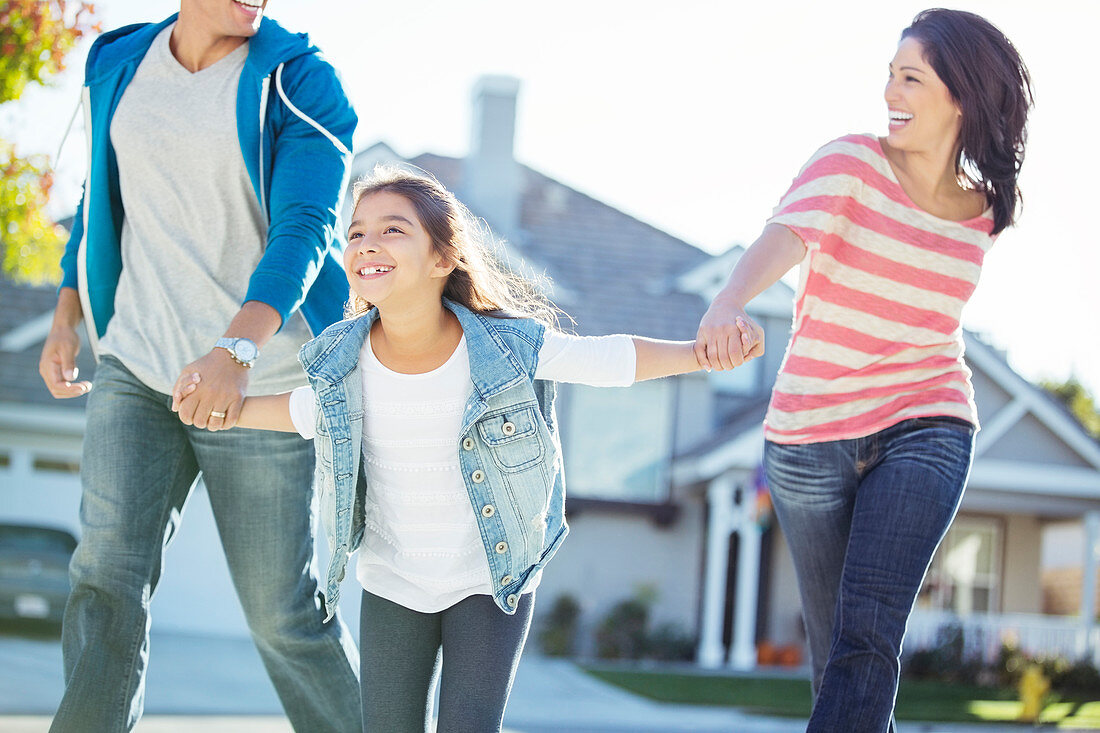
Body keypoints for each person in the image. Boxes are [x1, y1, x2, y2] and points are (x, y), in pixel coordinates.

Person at [174, 166, 742, 732]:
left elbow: (609, 360)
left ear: (443, 259)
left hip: (490, 579)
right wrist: (222, 408)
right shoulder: (341, 359)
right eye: (355, 233)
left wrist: (705, 353)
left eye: (393, 230)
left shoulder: (503, 347)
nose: (367, 243)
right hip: (393, 579)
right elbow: (306, 413)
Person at [695, 9, 1032, 731]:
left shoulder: (988, 212)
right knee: (841, 660)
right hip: (809, 436)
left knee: (868, 635)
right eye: (889, 77)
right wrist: (728, 300)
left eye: (910, 78)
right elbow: (785, 235)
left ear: (962, 95)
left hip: (929, 422)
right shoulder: (849, 162)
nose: (890, 94)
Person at [37, 1, 362, 730]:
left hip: (261, 383)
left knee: (282, 613)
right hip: (136, 362)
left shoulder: (301, 83)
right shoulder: (117, 62)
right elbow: (100, 194)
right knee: (105, 580)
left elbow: (307, 228)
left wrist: (236, 347)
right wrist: (67, 314)